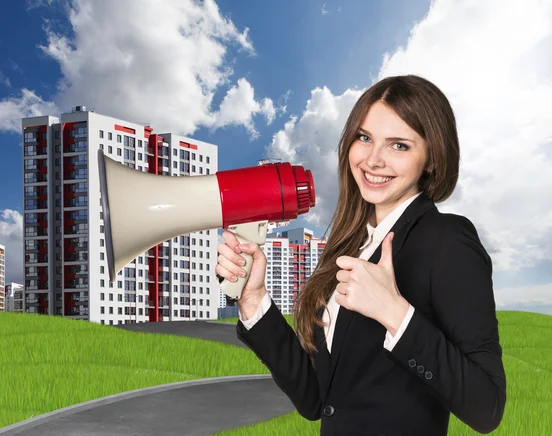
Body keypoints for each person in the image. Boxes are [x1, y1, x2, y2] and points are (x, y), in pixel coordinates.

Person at [215, 75, 506, 436]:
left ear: (431, 158)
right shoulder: (348, 246)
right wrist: (253, 299)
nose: (373, 159)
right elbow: (316, 400)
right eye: (364, 138)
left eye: (399, 145)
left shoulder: (447, 240)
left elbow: (487, 406)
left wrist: (395, 313)